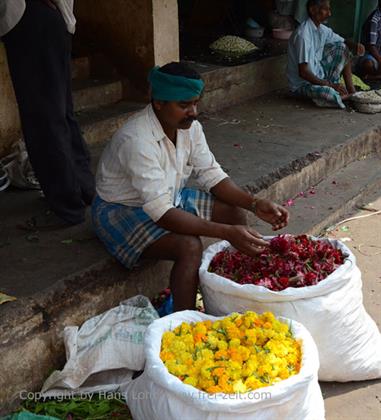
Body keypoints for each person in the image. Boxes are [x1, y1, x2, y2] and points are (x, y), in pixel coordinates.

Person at [92, 62, 289, 312]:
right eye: (183, 105)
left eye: (195, 103)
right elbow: (161, 212)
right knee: (189, 246)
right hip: (122, 210)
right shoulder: (136, 140)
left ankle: (237, 282)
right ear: (159, 102)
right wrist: (227, 233)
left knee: (234, 213)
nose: (193, 112)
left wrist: (254, 203)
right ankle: (184, 321)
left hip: (169, 196)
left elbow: (211, 175)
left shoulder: (190, 128)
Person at [0, 0, 95, 226]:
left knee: (43, 121)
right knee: (59, 114)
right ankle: (83, 190)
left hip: (31, 19)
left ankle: (66, 208)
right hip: (50, 20)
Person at [287, 0, 365, 109]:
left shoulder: (322, 30)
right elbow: (303, 73)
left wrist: (356, 46)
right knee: (328, 93)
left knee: (343, 48)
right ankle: (345, 96)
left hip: (319, 75)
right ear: (313, 10)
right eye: (326, 9)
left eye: (329, 9)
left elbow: (342, 41)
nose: (329, 13)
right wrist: (330, 85)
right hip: (303, 85)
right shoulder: (303, 35)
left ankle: (351, 91)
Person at [357, 1, 381, 80]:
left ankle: (376, 77)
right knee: (368, 64)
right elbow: (371, 47)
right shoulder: (374, 20)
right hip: (372, 55)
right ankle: (372, 77)